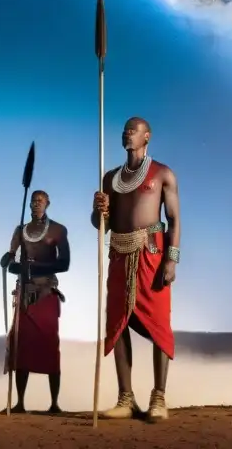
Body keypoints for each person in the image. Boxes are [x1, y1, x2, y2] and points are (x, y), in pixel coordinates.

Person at [91, 117, 180, 422]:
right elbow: (100, 226)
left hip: (151, 254)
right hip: (118, 254)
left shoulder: (162, 174)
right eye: (124, 129)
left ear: (147, 137)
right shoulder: (110, 178)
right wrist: (99, 209)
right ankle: (125, 398)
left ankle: (159, 397)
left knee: (158, 324)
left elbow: (175, 220)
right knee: (117, 324)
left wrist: (172, 258)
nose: (127, 132)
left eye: (134, 129)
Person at [0, 190, 71, 413]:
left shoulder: (58, 230)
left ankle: (54, 404)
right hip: (24, 294)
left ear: (47, 204)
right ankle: (20, 403)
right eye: (33, 201)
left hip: (46, 292)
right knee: (22, 346)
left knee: (50, 346)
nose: (36, 204)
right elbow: (11, 261)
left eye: (40, 201)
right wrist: (8, 261)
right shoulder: (20, 231)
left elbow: (64, 263)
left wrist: (34, 268)